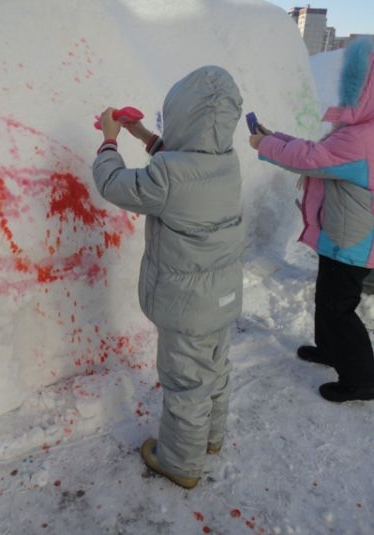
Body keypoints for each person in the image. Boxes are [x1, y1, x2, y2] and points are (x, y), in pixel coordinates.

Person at [92, 66, 244, 488]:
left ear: (182, 116)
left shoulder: (168, 177)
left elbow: (115, 184)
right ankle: (208, 440)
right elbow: (180, 165)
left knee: (185, 385)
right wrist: (143, 135)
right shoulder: (226, 162)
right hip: (222, 299)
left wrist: (109, 140)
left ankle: (180, 462)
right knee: (215, 370)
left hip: (187, 308)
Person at [249, 37, 374, 403]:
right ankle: (331, 350)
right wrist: (276, 137)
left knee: (340, 308)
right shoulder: (360, 132)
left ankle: (363, 379)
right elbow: (317, 151)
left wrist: (265, 146)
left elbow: (311, 159)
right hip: (343, 233)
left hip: (352, 242)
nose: (345, 95)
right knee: (328, 300)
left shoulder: (361, 139)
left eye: (353, 87)